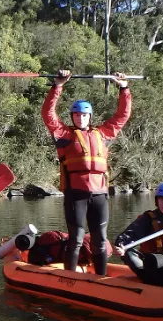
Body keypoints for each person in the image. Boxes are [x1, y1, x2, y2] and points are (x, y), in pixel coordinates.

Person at [41, 69, 132, 276]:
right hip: (76, 195)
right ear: (72, 117)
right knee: (77, 238)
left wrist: (124, 88)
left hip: (99, 194)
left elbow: (122, 115)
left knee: (100, 239)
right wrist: (58, 86)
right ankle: (70, 278)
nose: (80, 118)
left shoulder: (104, 133)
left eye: (84, 115)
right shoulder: (64, 135)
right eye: (76, 115)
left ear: (89, 116)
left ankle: (101, 278)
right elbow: (48, 114)